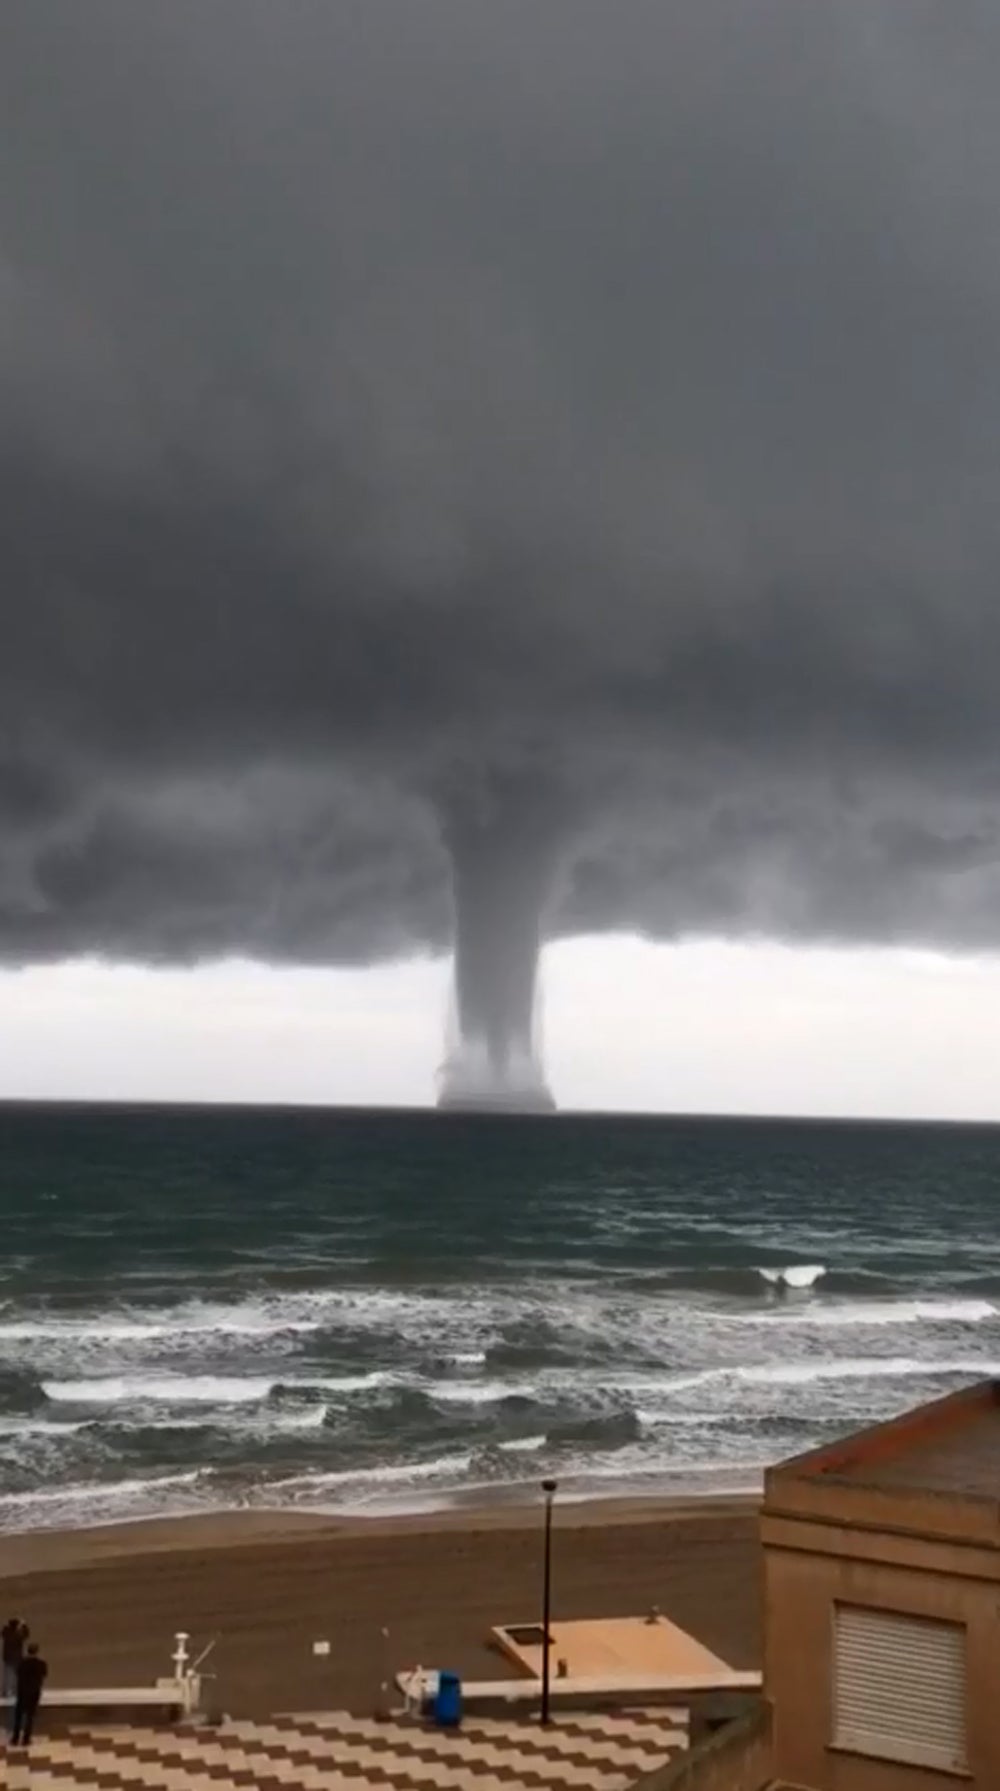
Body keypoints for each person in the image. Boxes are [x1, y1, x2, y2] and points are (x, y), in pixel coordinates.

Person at [11, 1642, 47, 1749]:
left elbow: (17, 1673)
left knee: (18, 1716)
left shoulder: (22, 1663)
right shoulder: (41, 1663)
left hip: (22, 1692)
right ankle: (26, 1739)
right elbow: (44, 1674)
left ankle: (15, 1738)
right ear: (37, 1652)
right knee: (30, 1717)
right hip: (34, 1692)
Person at [1, 1618, 26, 1723]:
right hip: (17, 1658)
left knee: (7, 1675)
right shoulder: (18, 1635)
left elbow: (3, 1632)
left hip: (7, 1657)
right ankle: (16, 1691)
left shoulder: (7, 1633)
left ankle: (6, 1691)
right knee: (17, 1675)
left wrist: (8, 1626)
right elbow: (26, 1634)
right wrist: (23, 1625)